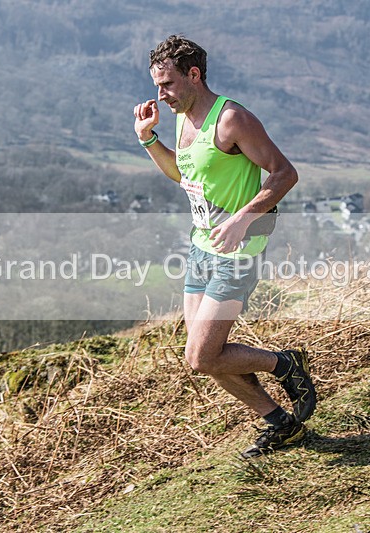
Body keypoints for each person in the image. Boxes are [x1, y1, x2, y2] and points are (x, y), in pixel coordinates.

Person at [133, 35, 316, 458]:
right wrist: (146, 139)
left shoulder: (231, 119)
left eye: (167, 84)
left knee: (200, 356)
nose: (161, 94)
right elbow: (184, 176)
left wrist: (242, 218)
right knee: (205, 354)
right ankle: (281, 424)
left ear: (193, 75)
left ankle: (285, 365)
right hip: (201, 248)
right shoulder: (182, 116)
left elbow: (284, 174)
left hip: (240, 251)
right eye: (157, 85)